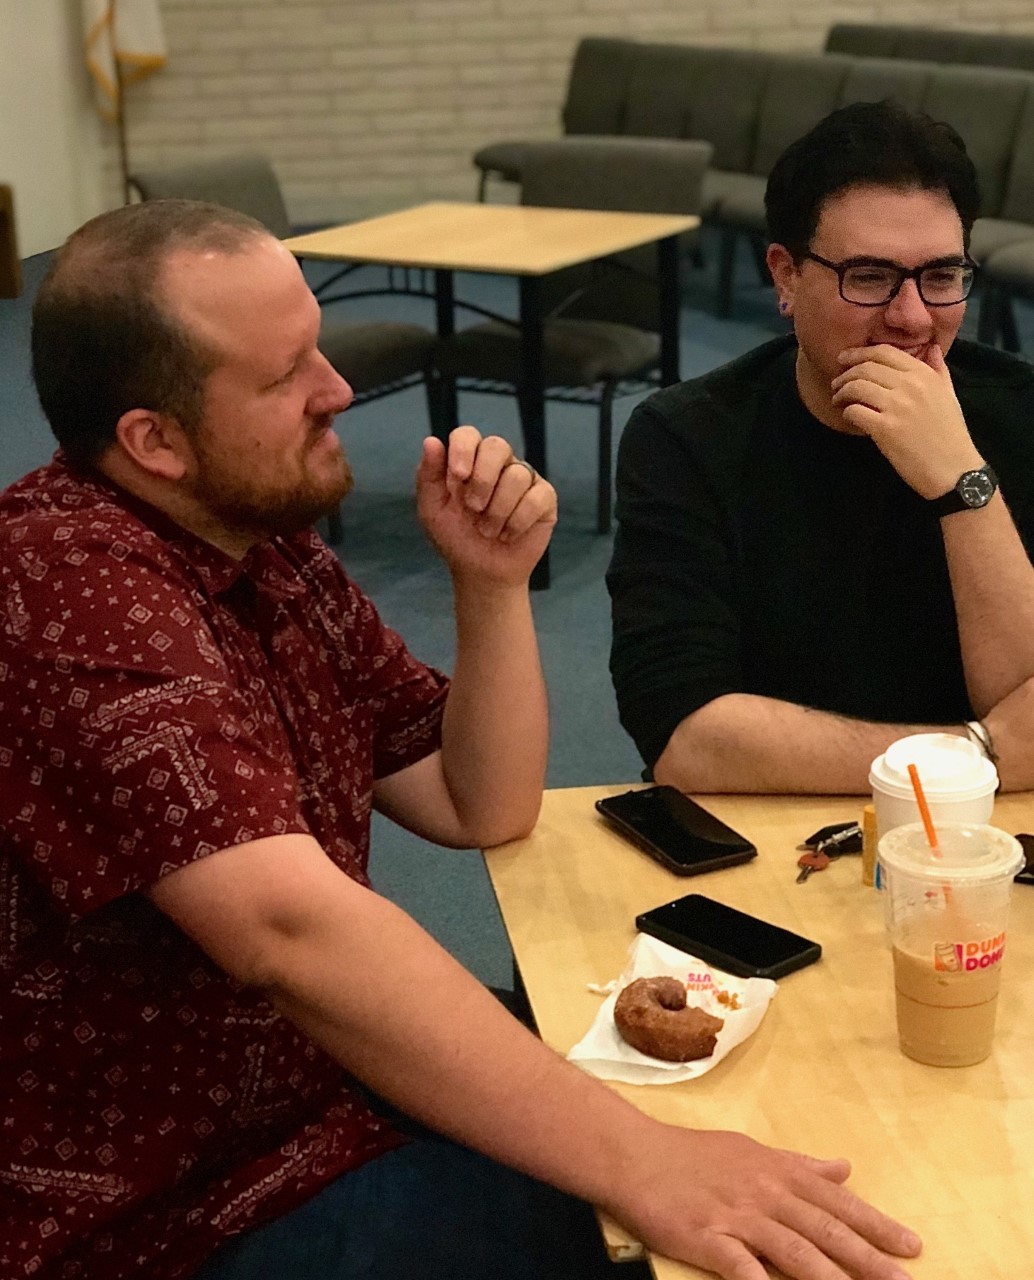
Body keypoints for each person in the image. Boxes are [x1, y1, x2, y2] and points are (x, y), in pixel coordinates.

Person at [0, 200, 921, 1280]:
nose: (338, 389)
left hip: (315, 1088)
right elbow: (285, 927)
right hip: (174, 1204)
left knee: (746, 1120)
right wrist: (644, 1165)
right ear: (152, 440)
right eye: (285, 371)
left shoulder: (265, 548)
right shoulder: (65, 589)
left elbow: (475, 802)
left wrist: (488, 585)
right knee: (668, 1238)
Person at [608, 100, 1034, 795]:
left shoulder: (1021, 410)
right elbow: (685, 736)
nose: (912, 317)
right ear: (785, 276)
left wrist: (962, 481)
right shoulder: (687, 436)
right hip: (776, 826)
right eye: (868, 277)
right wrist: (971, 756)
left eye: (941, 276)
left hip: (983, 840)